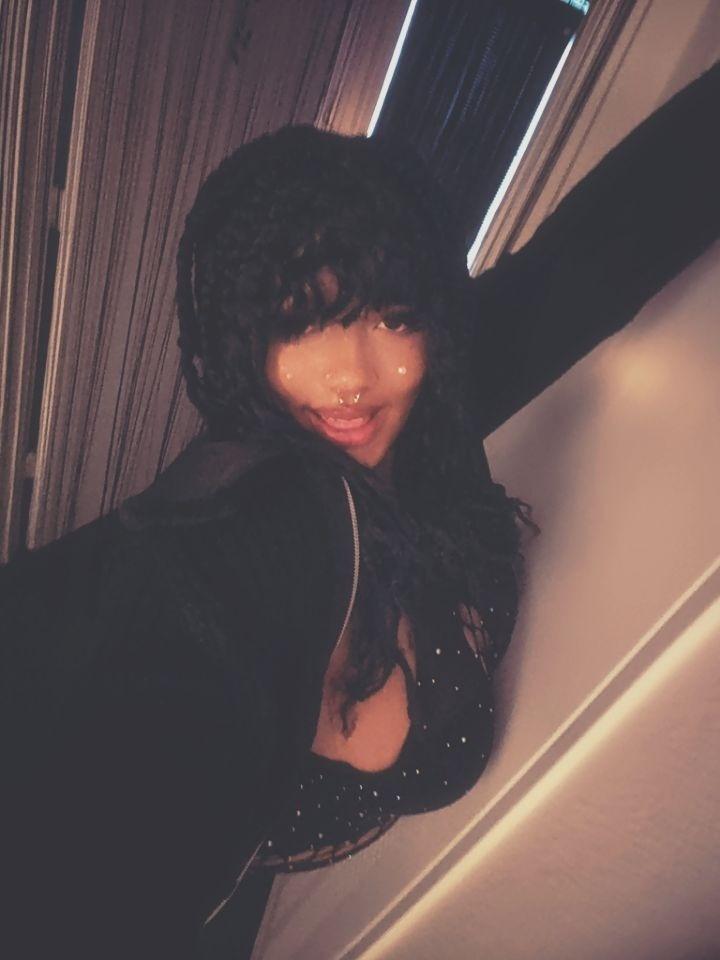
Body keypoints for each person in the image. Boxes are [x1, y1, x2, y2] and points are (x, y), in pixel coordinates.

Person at [1, 60, 718, 960]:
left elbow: (603, 250)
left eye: (391, 314)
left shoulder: (431, 411)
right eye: (296, 322)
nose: (350, 376)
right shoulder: (225, 551)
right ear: (237, 341)